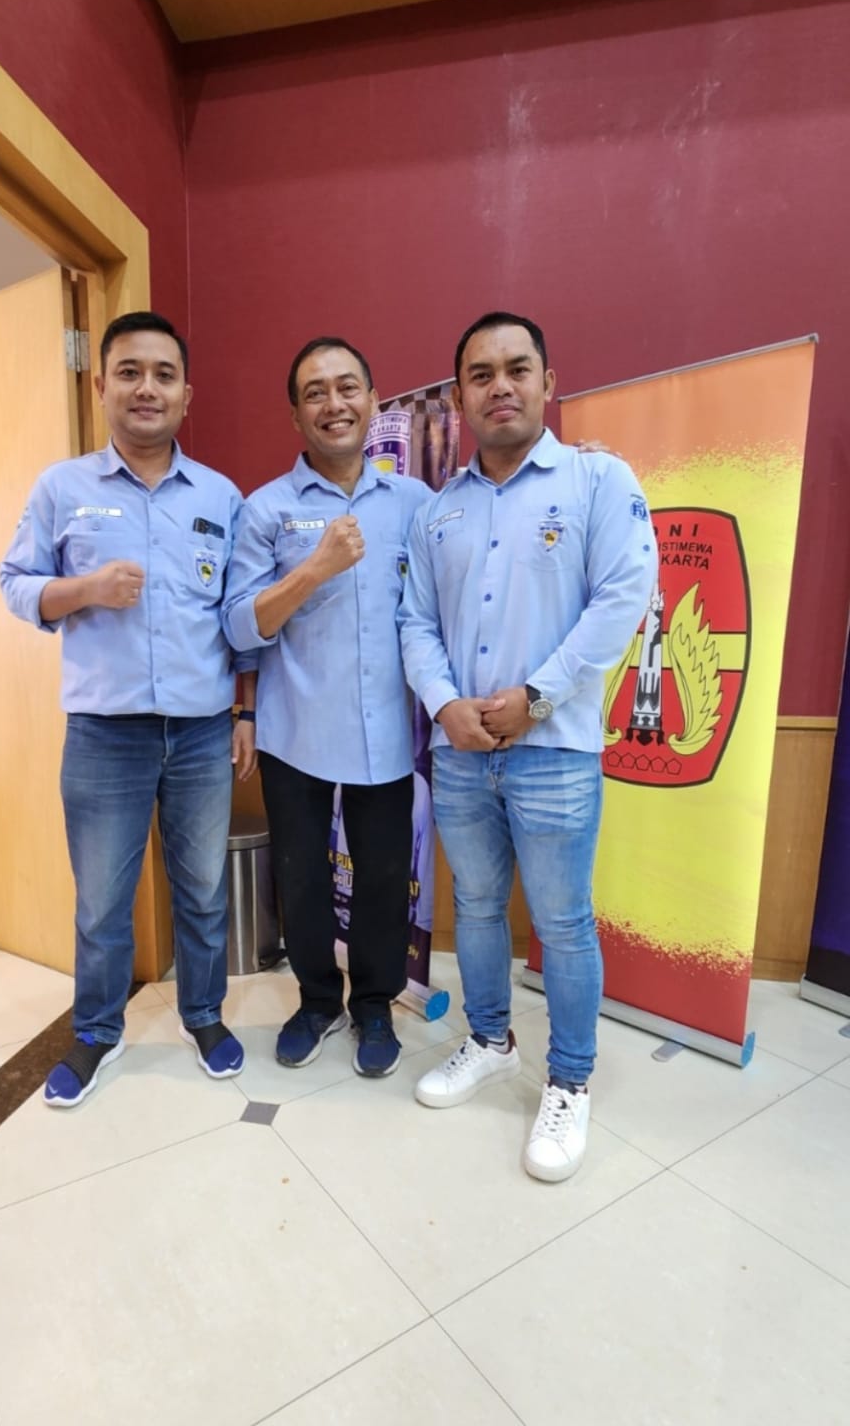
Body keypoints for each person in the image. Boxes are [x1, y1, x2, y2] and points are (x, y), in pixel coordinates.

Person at [399, 311, 657, 1182]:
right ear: (460, 395)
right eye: (481, 374)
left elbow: (623, 596)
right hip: (463, 754)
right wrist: (444, 705)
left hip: (556, 752)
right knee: (475, 911)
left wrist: (536, 698)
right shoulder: (438, 512)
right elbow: (414, 622)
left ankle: (570, 1083)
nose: (500, 385)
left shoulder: (597, 481)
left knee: (562, 923)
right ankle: (489, 1041)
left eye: (518, 368)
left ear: (549, 382)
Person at [0, 311, 257, 1109]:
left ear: (186, 394)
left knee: (203, 889)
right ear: (101, 384)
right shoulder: (62, 488)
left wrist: (245, 713)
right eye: (130, 372)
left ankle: (203, 1016)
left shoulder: (220, 496)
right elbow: (14, 585)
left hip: (202, 731)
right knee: (103, 900)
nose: (148, 388)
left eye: (164, 374)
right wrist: (85, 589)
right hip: (104, 735)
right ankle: (96, 1031)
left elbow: (240, 617)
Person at [223, 338, 430, 1078]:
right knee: (303, 876)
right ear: (296, 414)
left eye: (347, 388)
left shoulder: (414, 503)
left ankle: (373, 1004)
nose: (333, 404)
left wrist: (583, 470)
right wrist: (315, 568)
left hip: (386, 732)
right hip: (296, 730)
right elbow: (240, 625)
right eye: (315, 392)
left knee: (382, 878)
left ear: (372, 400)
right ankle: (316, 1001)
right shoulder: (266, 509)